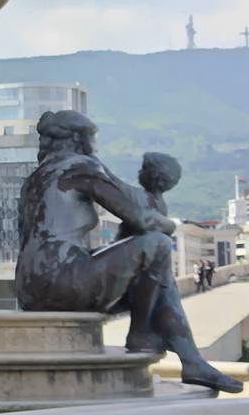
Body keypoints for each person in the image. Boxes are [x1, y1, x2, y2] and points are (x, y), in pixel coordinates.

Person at [16, 109, 241, 393]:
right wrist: (169, 225)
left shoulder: (39, 175)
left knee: (150, 273)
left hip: (31, 287)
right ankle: (155, 341)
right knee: (157, 245)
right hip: (60, 280)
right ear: (79, 139)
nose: (93, 147)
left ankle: (186, 356)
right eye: (91, 140)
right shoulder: (80, 167)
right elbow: (141, 218)